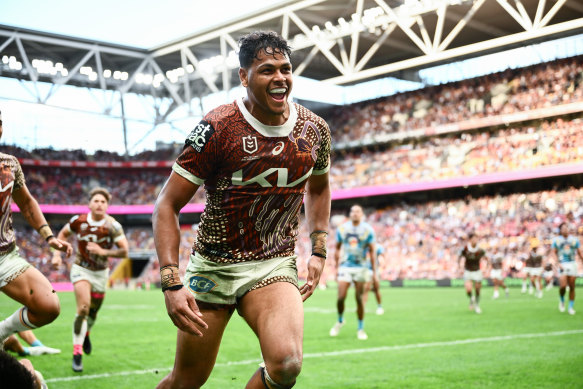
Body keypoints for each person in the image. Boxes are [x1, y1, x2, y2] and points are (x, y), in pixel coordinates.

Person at [153, 31, 331, 389]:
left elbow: (320, 186)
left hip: (273, 262)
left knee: (287, 364)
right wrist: (172, 282)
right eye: (267, 70)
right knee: (186, 382)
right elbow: (166, 205)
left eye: (286, 69)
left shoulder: (314, 130)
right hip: (214, 265)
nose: (280, 78)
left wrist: (319, 248)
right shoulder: (218, 127)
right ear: (244, 76)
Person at [0, 109, 72, 347]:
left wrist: (48, 236)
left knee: (48, 306)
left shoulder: (9, 164)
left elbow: (28, 203)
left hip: (5, 256)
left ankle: (2, 333)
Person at [51, 187, 128, 372]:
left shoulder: (113, 226)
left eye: (103, 201)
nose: (99, 204)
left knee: (93, 313)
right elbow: (62, 235)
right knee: (83, 308)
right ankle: (77, 353)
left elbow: (124, 251)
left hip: (101, 272)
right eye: (96, 201)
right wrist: (57, 254)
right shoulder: (79, 221)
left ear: (107, 205)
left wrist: (104, 252)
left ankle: (87, 333)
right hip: (81, 269)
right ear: (90, 204)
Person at [329, 205, 377, 340]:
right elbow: (337, 248)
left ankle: (360, 328)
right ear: (350, 214)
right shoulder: (342, 229)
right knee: (340, 297)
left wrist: (373, 270)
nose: (354, 213)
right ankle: (340, 320)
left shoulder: (368, 230)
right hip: (345, 266)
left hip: (361, 267)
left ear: (361, 214)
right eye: (352, 211)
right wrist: (336, 267)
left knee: (359, 299)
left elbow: (372, 251)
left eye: (357, 211)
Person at [551, 222, 583, 315]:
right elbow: (553, 252)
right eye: (563, 228)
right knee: (563, 286)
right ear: (560, 230)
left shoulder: (574, 240)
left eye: (566, 228)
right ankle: (562, 300)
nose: (565, 230)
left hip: (572, 263)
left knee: (572, 286)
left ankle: (570, 307)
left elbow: (579, 252)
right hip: (562, 264)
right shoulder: (556, 240)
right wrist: (557, 263)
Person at [458, 233, 486, 314]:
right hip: (468, 271)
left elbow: (486, 259)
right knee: (468, 290)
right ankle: (471, 298)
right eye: (474, 239)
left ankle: (477, 305)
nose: (475, 240)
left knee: (477, 290)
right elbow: (459, 257)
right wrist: (459, 267)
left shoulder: (480, 250)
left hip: (477, 271)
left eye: (476, 239)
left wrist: (486, 269)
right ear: (470, 240)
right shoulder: (465, 249)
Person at [362, 243, 384, 315]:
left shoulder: (378, 247)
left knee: (376, 289)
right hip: (366, 270)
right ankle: (363, 307)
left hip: (375, 270)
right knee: (366, 289)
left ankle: (380, 306)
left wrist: (381, 267)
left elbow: (382, 257)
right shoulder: (363, 246)